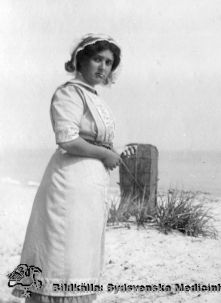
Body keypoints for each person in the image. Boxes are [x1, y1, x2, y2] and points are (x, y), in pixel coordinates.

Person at [12, 33, 134, 303]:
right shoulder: (69, 92)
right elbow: (67, 139)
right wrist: (104, 154)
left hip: (88, 187)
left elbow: (95, 138)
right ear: (81, 60)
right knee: (62, 252)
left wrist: (114, 152)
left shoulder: (93, 97)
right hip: (69, 183)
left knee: (80, 254)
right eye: (97, 59)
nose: (103, 67)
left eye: (109, 62)